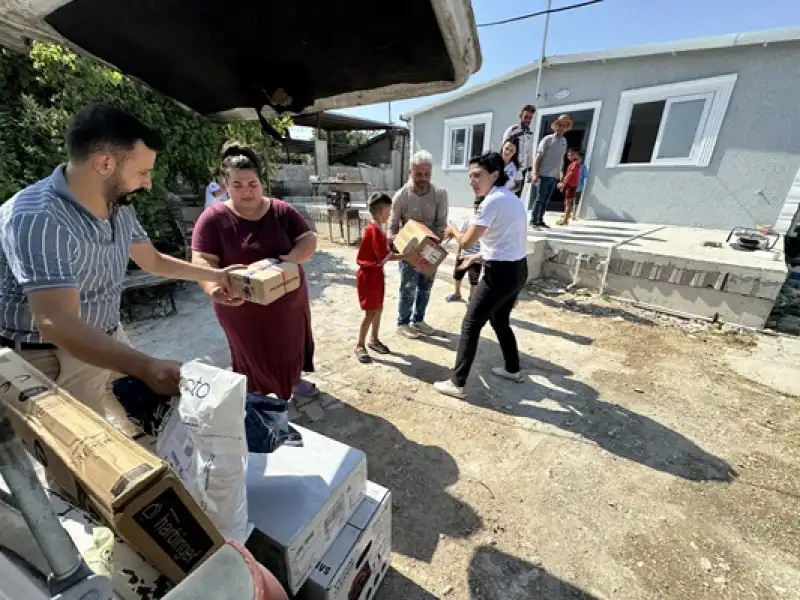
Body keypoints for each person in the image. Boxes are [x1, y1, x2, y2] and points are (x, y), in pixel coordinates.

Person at [0, 104, 237, 413]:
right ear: (104, 163)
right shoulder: (37, 217)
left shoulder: (118, 205)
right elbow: (57, 322)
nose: (148, 183)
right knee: (94, 457)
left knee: (142, 430)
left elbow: (151, 260)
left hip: (109, 338)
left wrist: (217, 276)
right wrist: (146, 366)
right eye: (142, 172)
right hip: (53, 358)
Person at [191, 142, 317, 401]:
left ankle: (292, 381)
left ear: (262, 183)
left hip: (288, 304)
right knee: (252, 353)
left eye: (252, 184)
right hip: (241, 308)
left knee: (290, 346)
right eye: (237, 185)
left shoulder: (281, 211)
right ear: (226, 185)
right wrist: (214, 288)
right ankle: (259, 397)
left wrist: (291, 260)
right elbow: (202, 260)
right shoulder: (213, 220)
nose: (246, 191)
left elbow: (308, 239)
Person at [433, 152, 528, 399]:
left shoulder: (491, 201)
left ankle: (457, 383)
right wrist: (477, 258)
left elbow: (465, 241)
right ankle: (513, 369)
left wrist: (453, 229)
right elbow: (503, 241)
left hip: (500, 274)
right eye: (470, 176)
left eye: (478, 176)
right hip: (517, 269)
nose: (472, 181)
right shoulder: (511, 198)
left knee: (470, 323)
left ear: (494, 175)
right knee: (499, 321)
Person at [388, 150, 449, 339]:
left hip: (430, 249)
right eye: (418, 174)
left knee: (425, 286)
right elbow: (392, 225)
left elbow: (442, 224)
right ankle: (403, 323)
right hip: (409, 251)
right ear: (410, 172)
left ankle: (419, 320)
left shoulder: (440, 194)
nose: (423, 178)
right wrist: (394, 240)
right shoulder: (401, 196)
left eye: (427, 174)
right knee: (407, 286)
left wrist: (433, 239)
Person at [354, 193, 404, 364]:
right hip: (369, 276)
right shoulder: (373, 230)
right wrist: (406, 256)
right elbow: (384, 256)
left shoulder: (378, 228)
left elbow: (384, 250)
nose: (390, 213)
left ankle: (374, 340)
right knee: (370, 312)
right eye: (389, 209)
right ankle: (360, 345)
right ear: (382, 210)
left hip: (376, 274)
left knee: (379, 307)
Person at [530, 114, 572, 229]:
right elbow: (538, 156)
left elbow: (561, 159)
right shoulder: (547, 139)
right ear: (556, 126)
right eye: (560, 125)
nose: (562, 127)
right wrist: (535, 173)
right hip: (543, 174)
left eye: (564, 125)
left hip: (554, 176)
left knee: (546, 199)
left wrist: (561, 175)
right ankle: (533, 220)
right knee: (540, 198)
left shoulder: (564, 141)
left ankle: (540, 220)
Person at [445, 197, 484, 303]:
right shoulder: (468, 221)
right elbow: (461, 238)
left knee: (473, 280)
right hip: (463, 255)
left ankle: (472, 298)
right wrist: (458, 252)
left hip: (476, 258)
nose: (477, 209)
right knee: (457, 275)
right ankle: (457, 294)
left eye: (480, 207)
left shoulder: (485, 224)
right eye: (476, 206)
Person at [502, 105, 536, 199]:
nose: (528, 120)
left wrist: (529, 170)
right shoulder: (512, 130)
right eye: (526, 117)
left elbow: (529, 152)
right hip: (511, 167)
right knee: (505, 193)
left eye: (530, 118)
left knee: (517, 196)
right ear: (520, 116)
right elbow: (504, 148)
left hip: (522, 169)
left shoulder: (529, 134)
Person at [556, 148, 582, 226]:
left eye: (571, 155)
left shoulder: (574, 164)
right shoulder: (574, 164)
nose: (568, 156)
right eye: (568, 155)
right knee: (567, 202)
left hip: (570, 186)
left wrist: (563, 183)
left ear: (575, 155)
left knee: (568, 202)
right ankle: (566, 217)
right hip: (572, 185)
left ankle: (565, 220)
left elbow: (570, 175)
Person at [573, 153, 588, 221]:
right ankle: (567, 213)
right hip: (571, 185)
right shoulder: (572, 165)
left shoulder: (583, 167)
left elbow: (585, 176)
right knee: (569, 200)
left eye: (580, 158)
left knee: (576, 201)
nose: (579, 160)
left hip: (579, 186)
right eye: (578, 158)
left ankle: (574, 214)